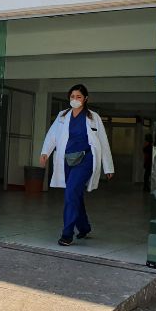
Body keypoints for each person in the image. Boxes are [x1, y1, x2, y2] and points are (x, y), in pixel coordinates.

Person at [39, 84, 114, 247]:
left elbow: (103, 142)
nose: (75, 100)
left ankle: (67, 234)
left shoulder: (94, 117)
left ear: (85, 99)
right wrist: (45, 152)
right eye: (72, 97)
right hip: (66, 160)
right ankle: (84, 226)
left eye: (78, 97)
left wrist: (108, 166)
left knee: (71, 192)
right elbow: (52, 135)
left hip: (86, 160)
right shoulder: (62, 115)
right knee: (75, 195)